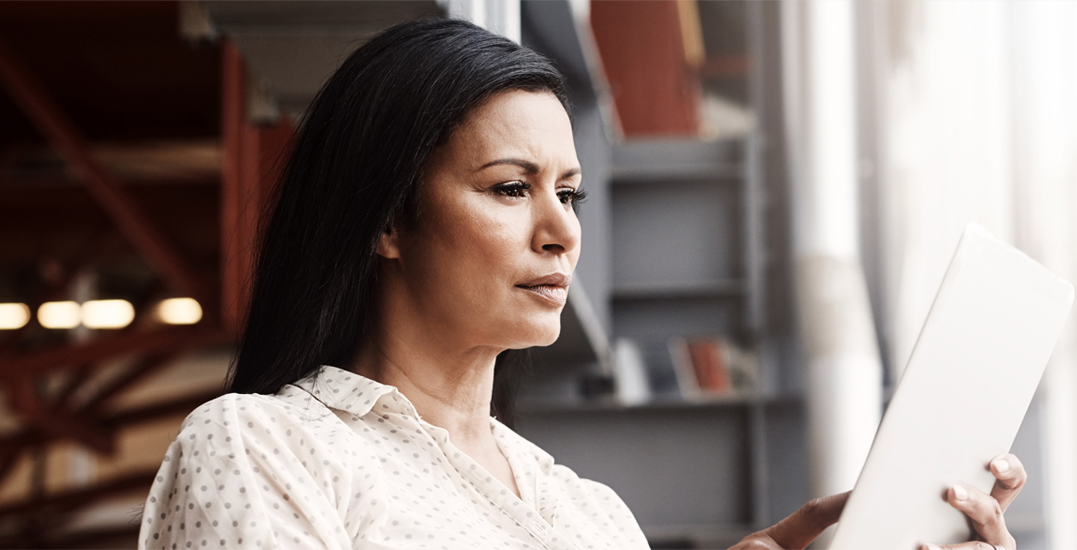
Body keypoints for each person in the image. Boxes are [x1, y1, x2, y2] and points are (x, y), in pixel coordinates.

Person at [138, 18, 1026, 550]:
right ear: (386, 219)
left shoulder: (590, 516)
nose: (562, 228)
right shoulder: (264, 450)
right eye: (510, 188)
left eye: (569, 192)